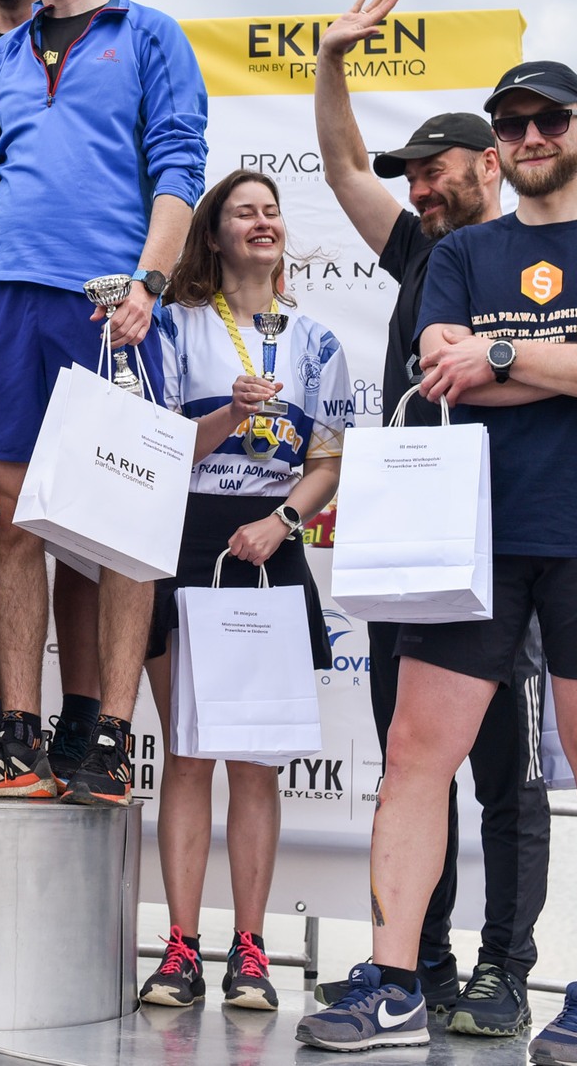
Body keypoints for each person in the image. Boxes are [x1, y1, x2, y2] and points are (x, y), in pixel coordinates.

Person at [299, 61, 577, 1061]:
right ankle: (394, 982)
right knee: (412, 754)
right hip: (467, 534)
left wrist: (507, 354)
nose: (529, 135)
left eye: (547, 118)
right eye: (511, 122)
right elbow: (445, 370)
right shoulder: (464, 252)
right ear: (497, 144)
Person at [0, 0, 207, 805]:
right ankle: (17, 735)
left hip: (107, 307)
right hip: (2, 304)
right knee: (11, 518)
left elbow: (179, 168)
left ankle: (111, 740)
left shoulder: (152, 34)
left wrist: (150, 284)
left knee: (121, 525)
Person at [312, 0, 550, 1035]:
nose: (417, 187)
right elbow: (339, 168)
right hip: (404, 538)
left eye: (434, 169)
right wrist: (331, 62)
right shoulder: (418, 250)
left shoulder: (540, 258)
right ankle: (421, 964)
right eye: (408, 174)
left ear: (488, 165)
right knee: (412, 764)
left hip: (512, 542)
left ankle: (506, 968)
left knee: (506, 774)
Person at [133, 170, 345, 1012]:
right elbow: (156, 447)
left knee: (256, 761)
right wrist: (228, 414)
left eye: (271, 210)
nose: (262, 221)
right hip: (187, 535)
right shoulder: (176, 325)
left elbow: (327, 460)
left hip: (269, 543)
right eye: (242, 211)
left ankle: (251, 951)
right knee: (187, 755)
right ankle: (180, 948)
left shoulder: (317, 341)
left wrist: (283, 523)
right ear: (214, 235)